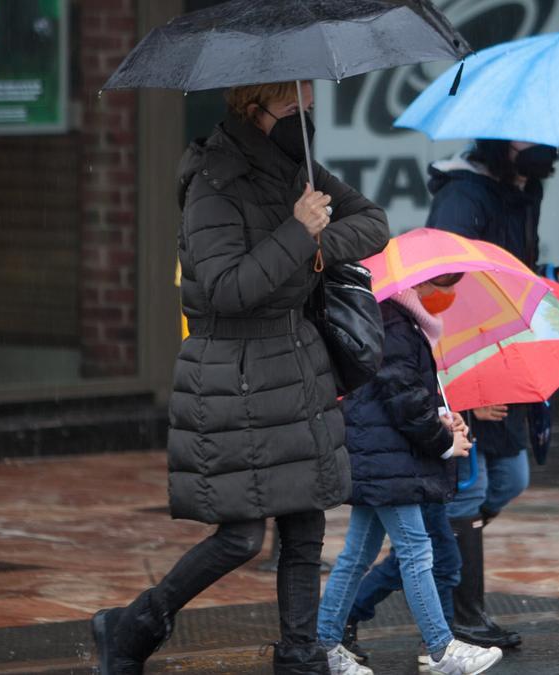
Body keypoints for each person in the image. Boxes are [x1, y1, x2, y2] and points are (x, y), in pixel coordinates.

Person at [90, 80, 389, 675]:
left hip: (297, 361)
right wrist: (297, 233)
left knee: (305, 525)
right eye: (292, 109)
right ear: (252, 110)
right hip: (236, 373)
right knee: (241, 535)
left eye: (310, 108)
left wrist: (317, 244)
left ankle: (300, 655)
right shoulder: (213, 184)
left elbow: (375, 224)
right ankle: (131, 625)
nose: (305, 119)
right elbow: (227, 290)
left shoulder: (296, 169)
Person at [427, 139, 559, 648]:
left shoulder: (526, 190)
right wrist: (463, 390)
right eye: (524, 137)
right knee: (470, 491)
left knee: (510, 478)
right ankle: (464, 618)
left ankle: (438, 556)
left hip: (504, 352)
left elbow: (512, 274)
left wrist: (554, 278)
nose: (538, 147)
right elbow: (442, 285)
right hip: (466, 358)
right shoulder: (463, 197)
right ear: (499, 141)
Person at [316, 273, 504, 675]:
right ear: (420, 285)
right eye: (445, 285)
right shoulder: (394, 322)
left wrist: (440, 415)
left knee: (358, 555)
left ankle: (325, 645)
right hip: (388, 460)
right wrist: (442, 441)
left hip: (381, 455)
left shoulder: (399, 321)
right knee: (417, 551)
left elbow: (402, 392)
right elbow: (401, 396)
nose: (449, 295)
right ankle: (440, 650)